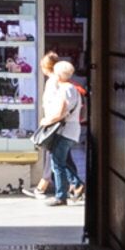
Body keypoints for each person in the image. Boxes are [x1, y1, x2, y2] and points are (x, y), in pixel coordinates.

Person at [35, 52, 86, 204]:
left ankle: (61, 195)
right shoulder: (73, 88)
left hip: (63, 130)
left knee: (57, 163)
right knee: (63, 160)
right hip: (71, 129)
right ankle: (76, 185)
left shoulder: (65, 90)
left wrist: (46, 121)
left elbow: (60, 112)